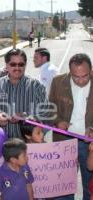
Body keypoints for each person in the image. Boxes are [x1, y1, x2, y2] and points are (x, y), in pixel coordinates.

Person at [49, 53, 93, 200]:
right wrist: (58, 121)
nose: (80, 81)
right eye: (76, 77)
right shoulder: (57, 82)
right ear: (69, 73)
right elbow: (49, 109)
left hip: (90, 146)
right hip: (64, 142)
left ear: (91, 71)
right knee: (63, 187)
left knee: (90, 186)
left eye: (85, 76)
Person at [0, 48, 48, 139]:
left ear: (25, 65)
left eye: (21, 64)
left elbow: (45, 112)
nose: (17, 68)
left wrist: (26, 116)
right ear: (7, 65)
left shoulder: (36, 86)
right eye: (13, 64)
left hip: (28, 143)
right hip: (3, 143)